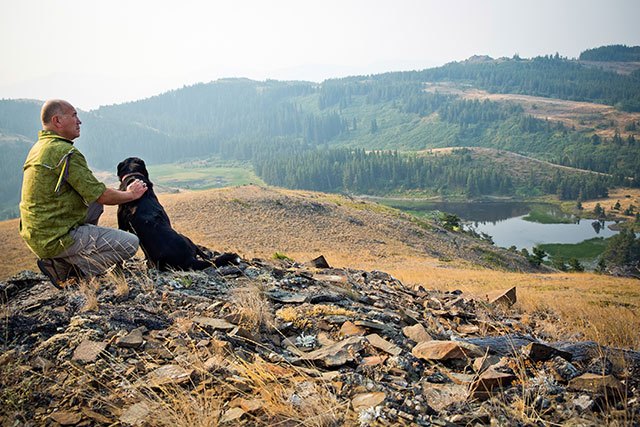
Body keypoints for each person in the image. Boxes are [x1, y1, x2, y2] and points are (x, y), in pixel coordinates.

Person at [19, 99, 148, 288]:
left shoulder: (39, 148)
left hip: (38, 233)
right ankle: (69, 268)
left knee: (94, 204)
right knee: (130, 244)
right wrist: (131, 195)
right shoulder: (64, 152)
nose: (79, 121)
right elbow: (102, 195)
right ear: (57, 121)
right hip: (56, 237)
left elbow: (94, 194)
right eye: (74, 116)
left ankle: (69, 256)